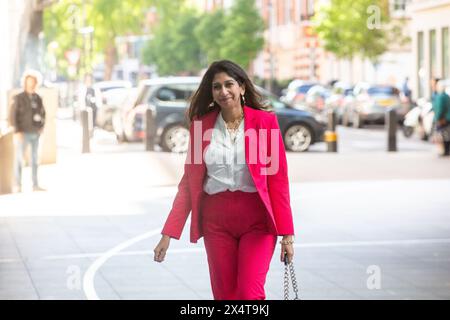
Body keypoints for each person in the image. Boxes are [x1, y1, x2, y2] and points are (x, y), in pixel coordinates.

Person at [153, 60, 295, 300]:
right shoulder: (200, 126)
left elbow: (278, 182)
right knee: (225, 296)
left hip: (257, 220)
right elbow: (189, 184)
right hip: (216, 222)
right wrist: (168, 233)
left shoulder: (265, 123)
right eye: (216, 87)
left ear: (241, 87)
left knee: (249, 294)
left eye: (229, 84)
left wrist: (287, 235)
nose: (223, 91)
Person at [8, 70, 46, 192]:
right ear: (25, 82)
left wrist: (41, 127)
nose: (31, 84)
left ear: (36, 83)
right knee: (19, 159)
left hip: (36, 133)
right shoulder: (18, 98)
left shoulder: (38, 98)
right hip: (22, 133)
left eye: (33, 82)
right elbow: (12, 116)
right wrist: (17, 131)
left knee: (35, 160)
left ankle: (35, 184)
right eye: (29, 81)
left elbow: (43, 113)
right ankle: (18, 185)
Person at [432, 80, 450, 156]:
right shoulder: (447, 96)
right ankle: (446, 150)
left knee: (443, 135)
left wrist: (437, 118)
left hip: (442, 119)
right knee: (447, 135)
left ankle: (445, 151)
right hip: (447, 118)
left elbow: (440, 109)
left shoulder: (440, 97)